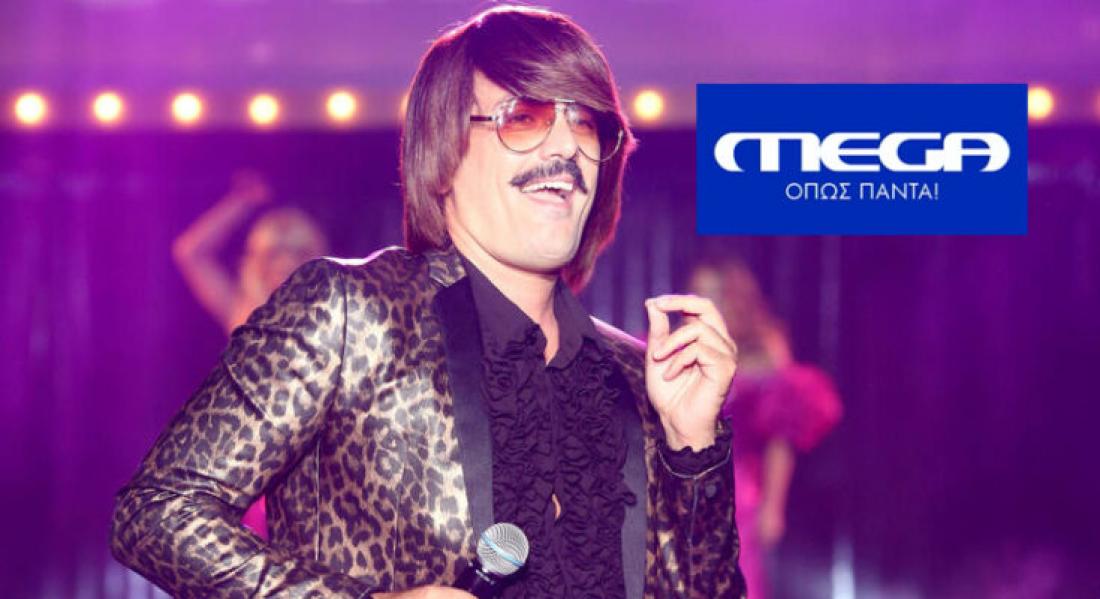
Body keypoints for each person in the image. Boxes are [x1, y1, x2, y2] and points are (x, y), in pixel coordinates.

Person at [111, 7, 745, 598]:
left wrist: (693, 449)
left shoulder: (636, 374)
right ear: (444, 147)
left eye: (586, 121)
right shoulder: (350, 312)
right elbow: (157, 511)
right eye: (523, 116)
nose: (565, 147)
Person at [171, 169, 330, 538]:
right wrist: (240, 203)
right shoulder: (241, 309)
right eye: (275, 252)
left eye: (297, 252)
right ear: (259, 258)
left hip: (311, 460)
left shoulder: (332, 310)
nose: (285, 263)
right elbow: (190, 252)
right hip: (251, 458)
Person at [689, 258, 841, 599]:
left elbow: (782, 430)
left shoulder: (762, 350)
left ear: (733, 300)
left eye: (711, 294)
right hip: (682, 486)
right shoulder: (680, 348)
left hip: (736, 493)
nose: (699, 302)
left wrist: (774, 504)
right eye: (695, 293)